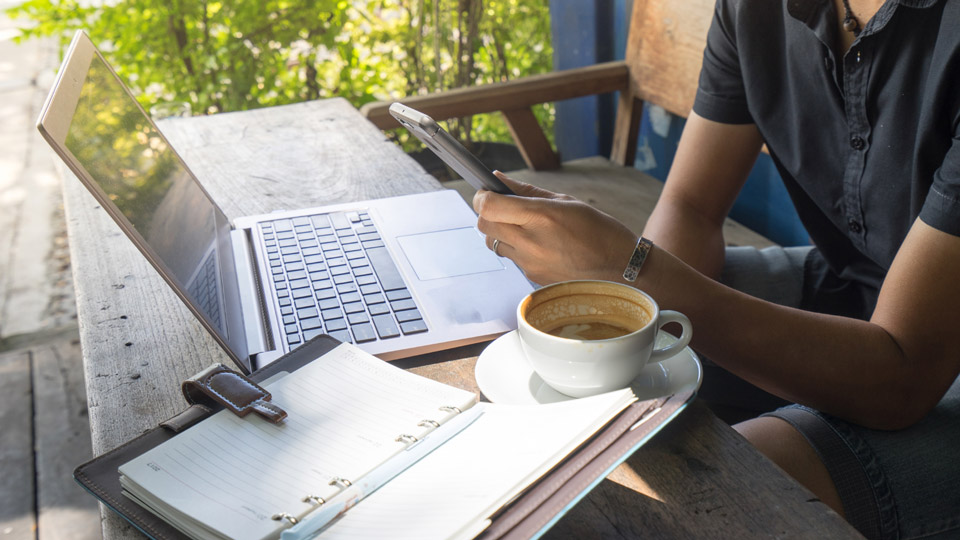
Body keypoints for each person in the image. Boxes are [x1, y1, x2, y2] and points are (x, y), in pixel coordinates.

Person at [472, 0, 960, 538]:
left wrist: (631, 268)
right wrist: (628, 302)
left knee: (702, 490)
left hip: (926, 363)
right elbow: (692, 209)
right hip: (860, 284)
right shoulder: (755, 11)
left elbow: (904, 376)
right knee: (544, 353)